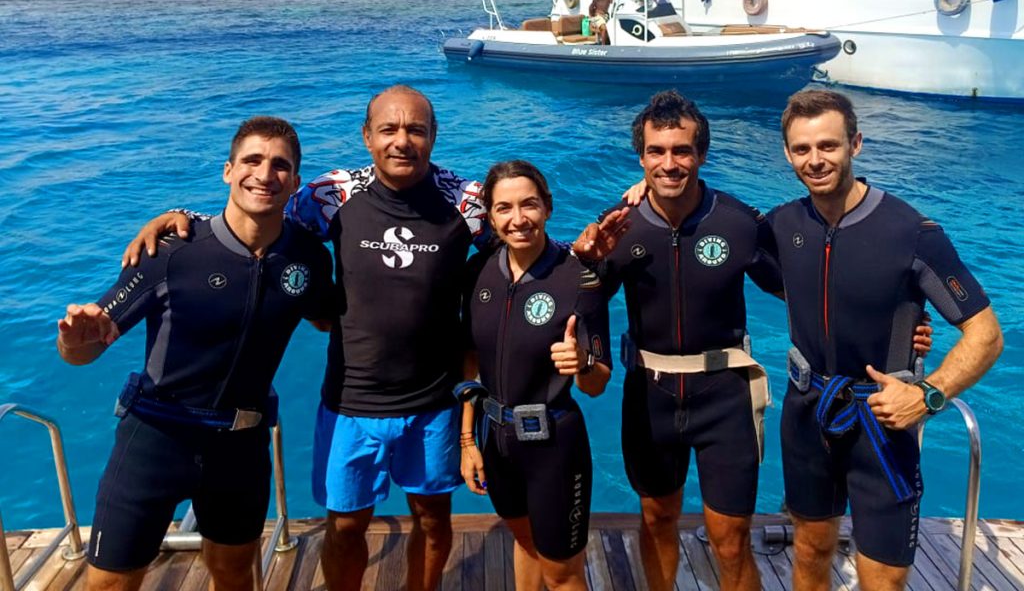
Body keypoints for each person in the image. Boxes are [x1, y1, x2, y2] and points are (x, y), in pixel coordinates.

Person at [123, 86, 487, 591]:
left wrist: (609, 226)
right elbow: (257, 217)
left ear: (433, 136)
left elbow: (527, 237)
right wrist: (184, 217)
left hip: (433, 402)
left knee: (432, 520)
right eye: (388, 129)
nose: (401, 141)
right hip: (350, 400)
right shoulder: (332, 194)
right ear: (366, 136)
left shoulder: (468, 203)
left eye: (416, 130)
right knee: (345, 526)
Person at [572, 90, 934, 591]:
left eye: (682, 150)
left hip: (725, 397)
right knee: (655, 521)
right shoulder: (619, 224)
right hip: (648, 396)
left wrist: (898, 324)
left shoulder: (739, 223)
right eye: (657, 152)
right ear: (641, 157)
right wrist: (586, 267)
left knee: (729, 537)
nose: (670, 163)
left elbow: (812, 287)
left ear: (701, 153)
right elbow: (584, 298)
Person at [58, 117, 335, 591]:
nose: (264, 174)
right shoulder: (171, 251)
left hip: (240, 445)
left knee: (234, 575)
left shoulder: (307, 258)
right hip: (154, 438)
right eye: (251, 160)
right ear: (228, 171)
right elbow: (84, 349)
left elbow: (331, 317)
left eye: (280, 165)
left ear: (294, 181)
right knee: (109, 583)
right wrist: (74, 340)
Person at [771, 89, 1003, 591]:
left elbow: (985, 333)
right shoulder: (783, 225)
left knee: (885, 578)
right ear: (788, 154)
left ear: (856, 143)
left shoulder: (911, 233)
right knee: (810, 551)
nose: (816, 160)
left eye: (829, 146)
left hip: (881, 423)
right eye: (803, 149)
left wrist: (928, 394)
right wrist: (645, 189)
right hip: (807, 412)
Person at [458, 161, 612, 591]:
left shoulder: (579, 278)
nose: (518, 218)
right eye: (504, 208)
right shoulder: (478, 273)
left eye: (529, 204)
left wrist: (581, 361)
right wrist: (468, 441)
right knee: (525, 545)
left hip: (554, 446)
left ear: (547, 207)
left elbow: (597, 383)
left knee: (562, 574)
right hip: (496, 440)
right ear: (490, 217)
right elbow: (470, 361)